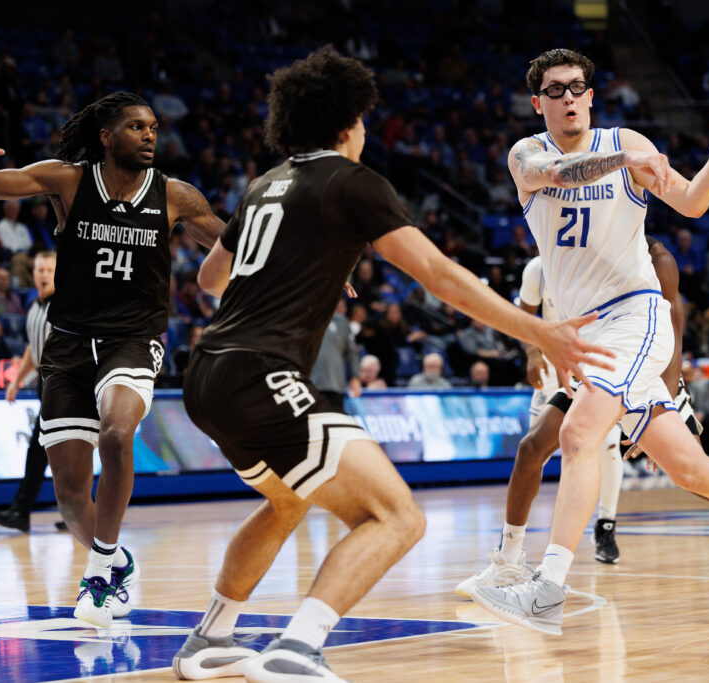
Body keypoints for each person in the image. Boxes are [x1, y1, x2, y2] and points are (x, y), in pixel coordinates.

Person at [170, 47, 609, 683]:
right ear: (349, 121)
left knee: (288, 501)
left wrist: (311, 258)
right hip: (260, 374)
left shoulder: (266, 184)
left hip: (206, 374)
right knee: (396, 517)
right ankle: (297, 650)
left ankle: (208, 639)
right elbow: (439, 276)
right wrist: (540, 331)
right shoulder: (353, 182)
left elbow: (214, 278)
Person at [470, 49, 709, 636]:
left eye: (577, 87)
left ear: (591, 96)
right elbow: (560, 176)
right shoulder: (528, 155)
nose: (568, 97)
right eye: (555, 89)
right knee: (689, 469)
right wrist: (626, 158)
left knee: (576, 432)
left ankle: (547, 590)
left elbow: (692, 203)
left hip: (634, 315)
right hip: (584, 337)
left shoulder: (627, 139)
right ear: (538, 102)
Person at [0, 91, 224, 628]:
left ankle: (99, 573)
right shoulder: (69, 179)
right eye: (135, 127)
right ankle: (116, 558)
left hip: (132, 339)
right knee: (72, 497)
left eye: (152, 127)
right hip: (69, 345)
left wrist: (306, 270)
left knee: (118, 433)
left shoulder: (175, 196)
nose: (149, 135)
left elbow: (238, 242)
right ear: (106, 136)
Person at [457, 242, 709, 587]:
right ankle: (510, 561)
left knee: (695, 475)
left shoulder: (657, 260)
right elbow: (528, 314)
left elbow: (673, 327)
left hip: (652, 374)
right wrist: (536, 354)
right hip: (595, 369)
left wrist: (667, 402)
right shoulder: (572, 251)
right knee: (532, 448)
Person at [0, 251, 65, 532]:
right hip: (46, 384)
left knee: (39, 451)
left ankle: (21, 511)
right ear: (32, 274)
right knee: (60, 452)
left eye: (49, 269)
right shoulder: (33, 308)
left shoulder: (66, 305)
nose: (44, 274)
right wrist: (16, 380)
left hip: (65, 384)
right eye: (40, 269)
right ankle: (83, 512)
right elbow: (34, 348)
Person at [309, 298, 362, 411]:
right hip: (311, 383)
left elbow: (352, 352)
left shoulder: (343, 322)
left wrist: (355, 377)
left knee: (334, 420)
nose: (340, 309)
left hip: (336, 384)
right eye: (338, 306)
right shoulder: (310, 319)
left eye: (342, 307)